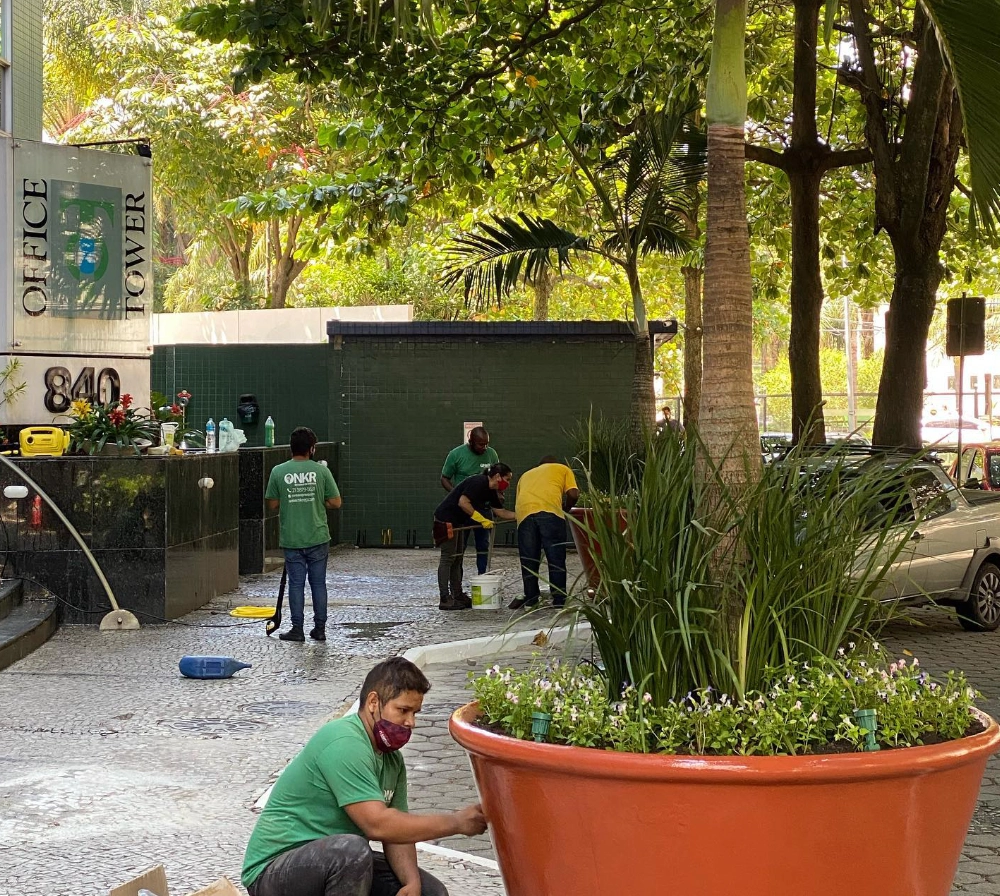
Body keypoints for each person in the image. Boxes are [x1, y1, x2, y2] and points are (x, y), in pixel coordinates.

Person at [243, 657, 487, 896]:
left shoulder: (392, 760)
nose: (411, 722)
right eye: (403, 710)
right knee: (351, 851)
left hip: (338, 862)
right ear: (373, 702)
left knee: (431, 892)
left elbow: (397, 831)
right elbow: (377, 824)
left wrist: (411, 883)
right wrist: (456, 823)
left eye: (415, 712)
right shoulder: (344, 742)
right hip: (273, 871)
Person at [266, 426, 342, 643]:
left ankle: (297, 629)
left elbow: (272, 504)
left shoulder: (278, 472)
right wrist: (320, 500)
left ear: (291, 448)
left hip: (292, 538)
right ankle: (320, 629)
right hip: (318, 536)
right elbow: (336, 502)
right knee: (318, 583)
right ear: (312, 449)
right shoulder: (321, 471)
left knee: (296, 584)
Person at [433, 462, 516, 610]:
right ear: (497, 476)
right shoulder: (478, 482)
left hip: (458, 522)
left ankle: (457, 595)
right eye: (507, 479)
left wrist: (521, 515)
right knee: (448, 558)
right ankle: (444, 598)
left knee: (457, 558)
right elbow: (463, 502)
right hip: (445, 520)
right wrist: (481, 519)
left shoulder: (491, 491)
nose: (508, 483)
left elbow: (500, 512)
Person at [510, 456, 579, 610]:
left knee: (529, 560)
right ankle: (559, 599)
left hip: (524, 514)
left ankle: (531, 599)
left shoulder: (526, 475)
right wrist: (566, 508)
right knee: (555, 558)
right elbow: (573, 494)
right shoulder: (562, 469)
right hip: (550, 513)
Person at [440, 427, 500, 584]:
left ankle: (483, 578)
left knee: (483, 546)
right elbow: (444, 478)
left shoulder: (492, 454)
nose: (484, 448)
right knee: (459, 548)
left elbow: (496, 478)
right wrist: (456, 494)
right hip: (464, 507)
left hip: (483, 507)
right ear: (471, 442)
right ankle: (457, 584)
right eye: (480, 444)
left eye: (486, 444)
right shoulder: (456, 454)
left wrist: (498, 495)